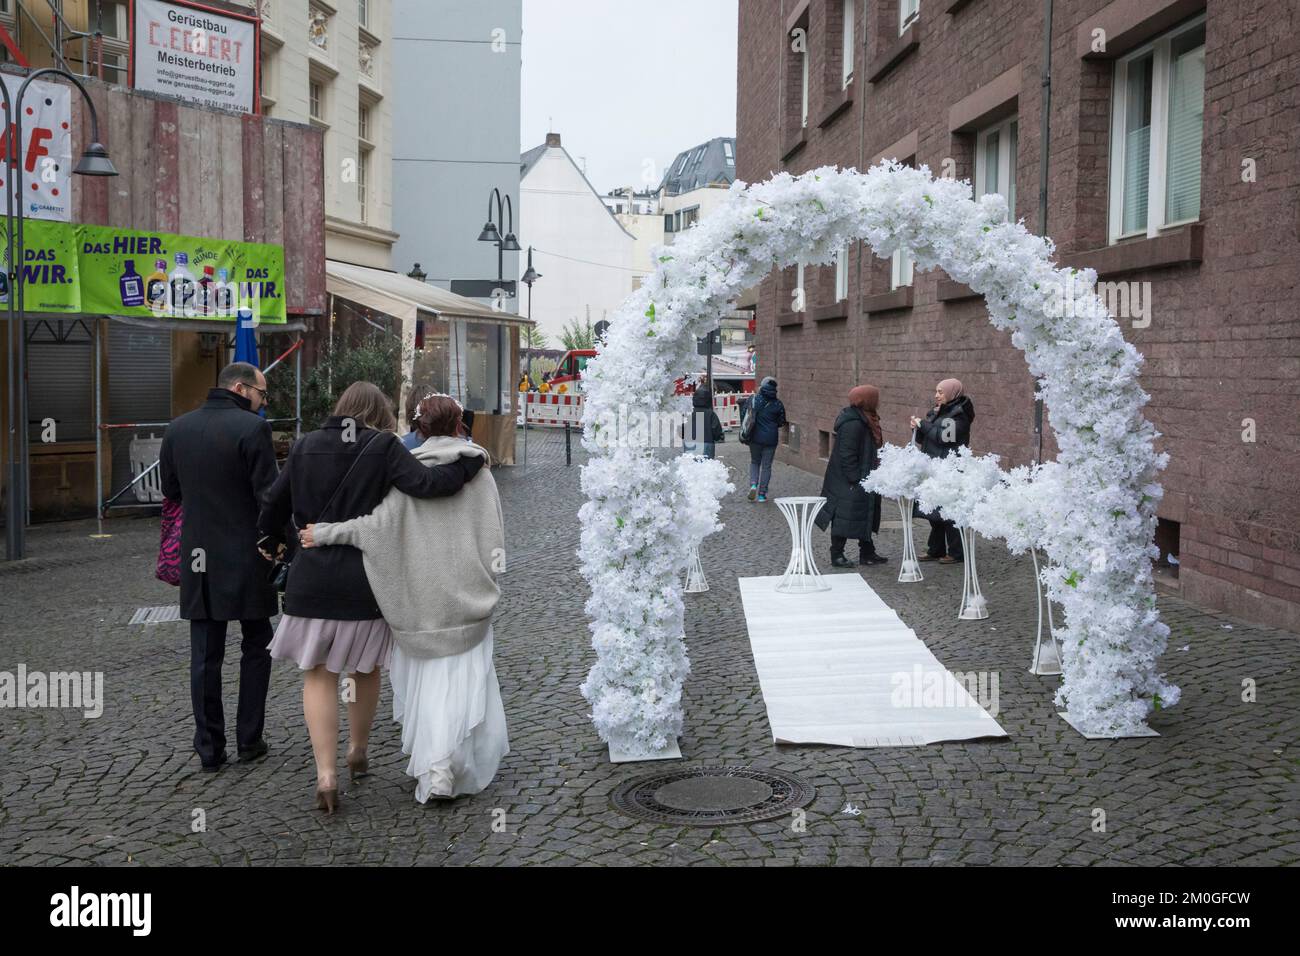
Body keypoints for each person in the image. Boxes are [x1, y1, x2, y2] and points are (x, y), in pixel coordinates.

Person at [257, 381, 484, 814]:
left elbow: (271, 505)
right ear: (377, 412)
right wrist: (468, 461)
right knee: (364, 669)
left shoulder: (304, 447)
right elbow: (427, 484)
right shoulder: (383, 447)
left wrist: (276, 538)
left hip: (310, 582)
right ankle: (357, 750)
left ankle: (325, 775)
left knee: (318, 676)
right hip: (366, 580)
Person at [300, 395, 507, 803]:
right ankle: (450, 764)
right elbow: (494, 539)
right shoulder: (480, 475)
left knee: (428, 687)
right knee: (463, 682)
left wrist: (323, 532)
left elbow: (374, 530)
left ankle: (436, 769)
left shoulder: (405, 474)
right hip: (468, 602)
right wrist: (485, 580)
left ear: (419, 428)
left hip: (418, 605)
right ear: (460, 426)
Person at [159, 361, 279, 773]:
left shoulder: (178, 429)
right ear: (243, 389)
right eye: (262, 396)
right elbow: (269, 497)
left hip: (198, 559)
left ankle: (209, 749)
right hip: (247, 556)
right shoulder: (252, 429)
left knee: (205, 656)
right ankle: (250, 739)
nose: (263, 405)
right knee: (257, 644)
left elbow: (170, 491)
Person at [816, 385, 888, 567]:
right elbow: (846, 453)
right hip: (849, 480)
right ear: (867, 400)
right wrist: (856, 478)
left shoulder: (867, 419)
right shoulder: (853, 423)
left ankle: (867, 553)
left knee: (865, 514)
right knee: (844, 515)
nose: (878, 401)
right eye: (875, 398)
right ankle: (837, 554)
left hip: (865, 476)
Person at [911, 377, 975, 564]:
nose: (936, 395)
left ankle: (956, 553)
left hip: (950, 469)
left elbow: (944, 438)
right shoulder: (938, 412)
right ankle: (936, 549)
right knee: (934, 512)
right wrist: (917, 429)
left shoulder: (958, 414)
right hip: (934, 466)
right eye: (936, 391)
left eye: (940, 392)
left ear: (951, 392)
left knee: (949, 512)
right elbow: (927, 440)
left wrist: (924, 424)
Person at [746, 376, 787, 503]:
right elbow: (782, 422)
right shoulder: (778, 403)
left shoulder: (754, 399)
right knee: (766, 466)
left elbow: (745, 415)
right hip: (771, 439)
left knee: (755, 462)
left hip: (755, 437)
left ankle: (753, 484)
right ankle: (762, 494)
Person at [682, 385, 724, 459]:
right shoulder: (710, 414)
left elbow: (682, 429)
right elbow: (716, 431)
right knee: (706, 466)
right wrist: (718, 437)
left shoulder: (689, 413)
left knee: (690, 466)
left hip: (689, 443)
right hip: (707, 443)